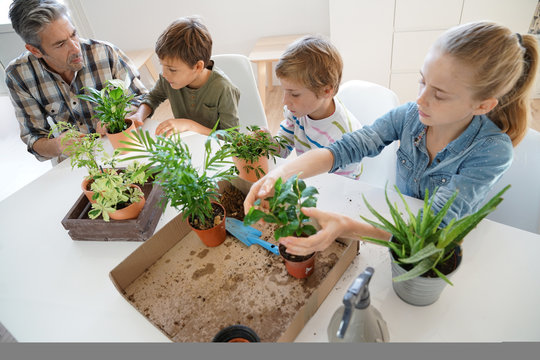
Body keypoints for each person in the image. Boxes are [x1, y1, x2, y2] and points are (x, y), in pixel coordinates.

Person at [244, 21, 538, 256]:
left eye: (439, 94)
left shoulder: (491, 152)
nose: (420, 99)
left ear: (483, 105)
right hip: (395, 220)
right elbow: (347, 148)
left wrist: (346, 226)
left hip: (437, 250)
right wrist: (279, 174)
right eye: (423, 81)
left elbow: (432, 232)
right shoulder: (410, 116)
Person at [5, 0, 147, 162]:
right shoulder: (18, 75)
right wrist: (58, 145)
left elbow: (142, 98)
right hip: (77, 162)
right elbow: (33, 136)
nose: (75, 48)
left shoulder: (105, 52)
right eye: (60, 44)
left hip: (122, 149)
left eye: (73, 34)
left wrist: (116, 118)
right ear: (35, 50)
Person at [129, 16, 240, 137]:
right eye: (162, 65)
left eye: (172, 69)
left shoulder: (223, 89)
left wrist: (189, 125)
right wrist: (139, 115)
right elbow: (152, 98)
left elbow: (232, 136)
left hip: (215, 150)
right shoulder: (167, 79)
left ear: (198, 67)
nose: (164, 74)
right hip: (186, 144)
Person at [273, 35, 362, 179]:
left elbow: (339, 187)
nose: (285, 101)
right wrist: (267, 145)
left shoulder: (342, 136)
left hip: (337, 185)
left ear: (326, 91)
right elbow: (282, 147)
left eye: (294, 94)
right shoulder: (296, 111)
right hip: (311, 176)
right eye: (284, 91)